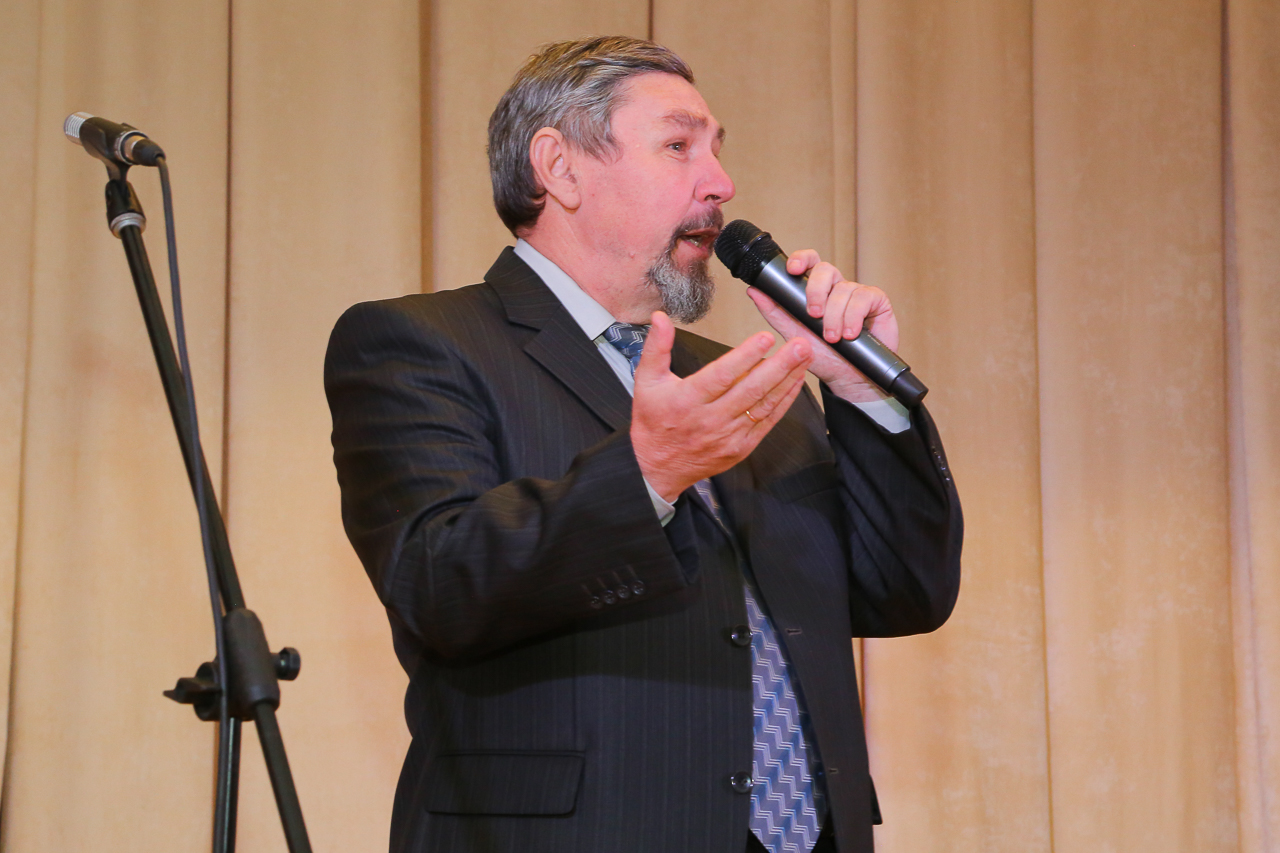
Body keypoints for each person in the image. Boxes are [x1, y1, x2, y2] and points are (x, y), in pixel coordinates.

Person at [325, 36, 961, 853]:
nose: (721, 183)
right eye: (679, 146)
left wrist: (860, 392)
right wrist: (650, 473)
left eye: (717, 149)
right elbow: (439, 585)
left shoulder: (745, 379)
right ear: (559, 168)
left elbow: (903, 591)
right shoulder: (422, 343)